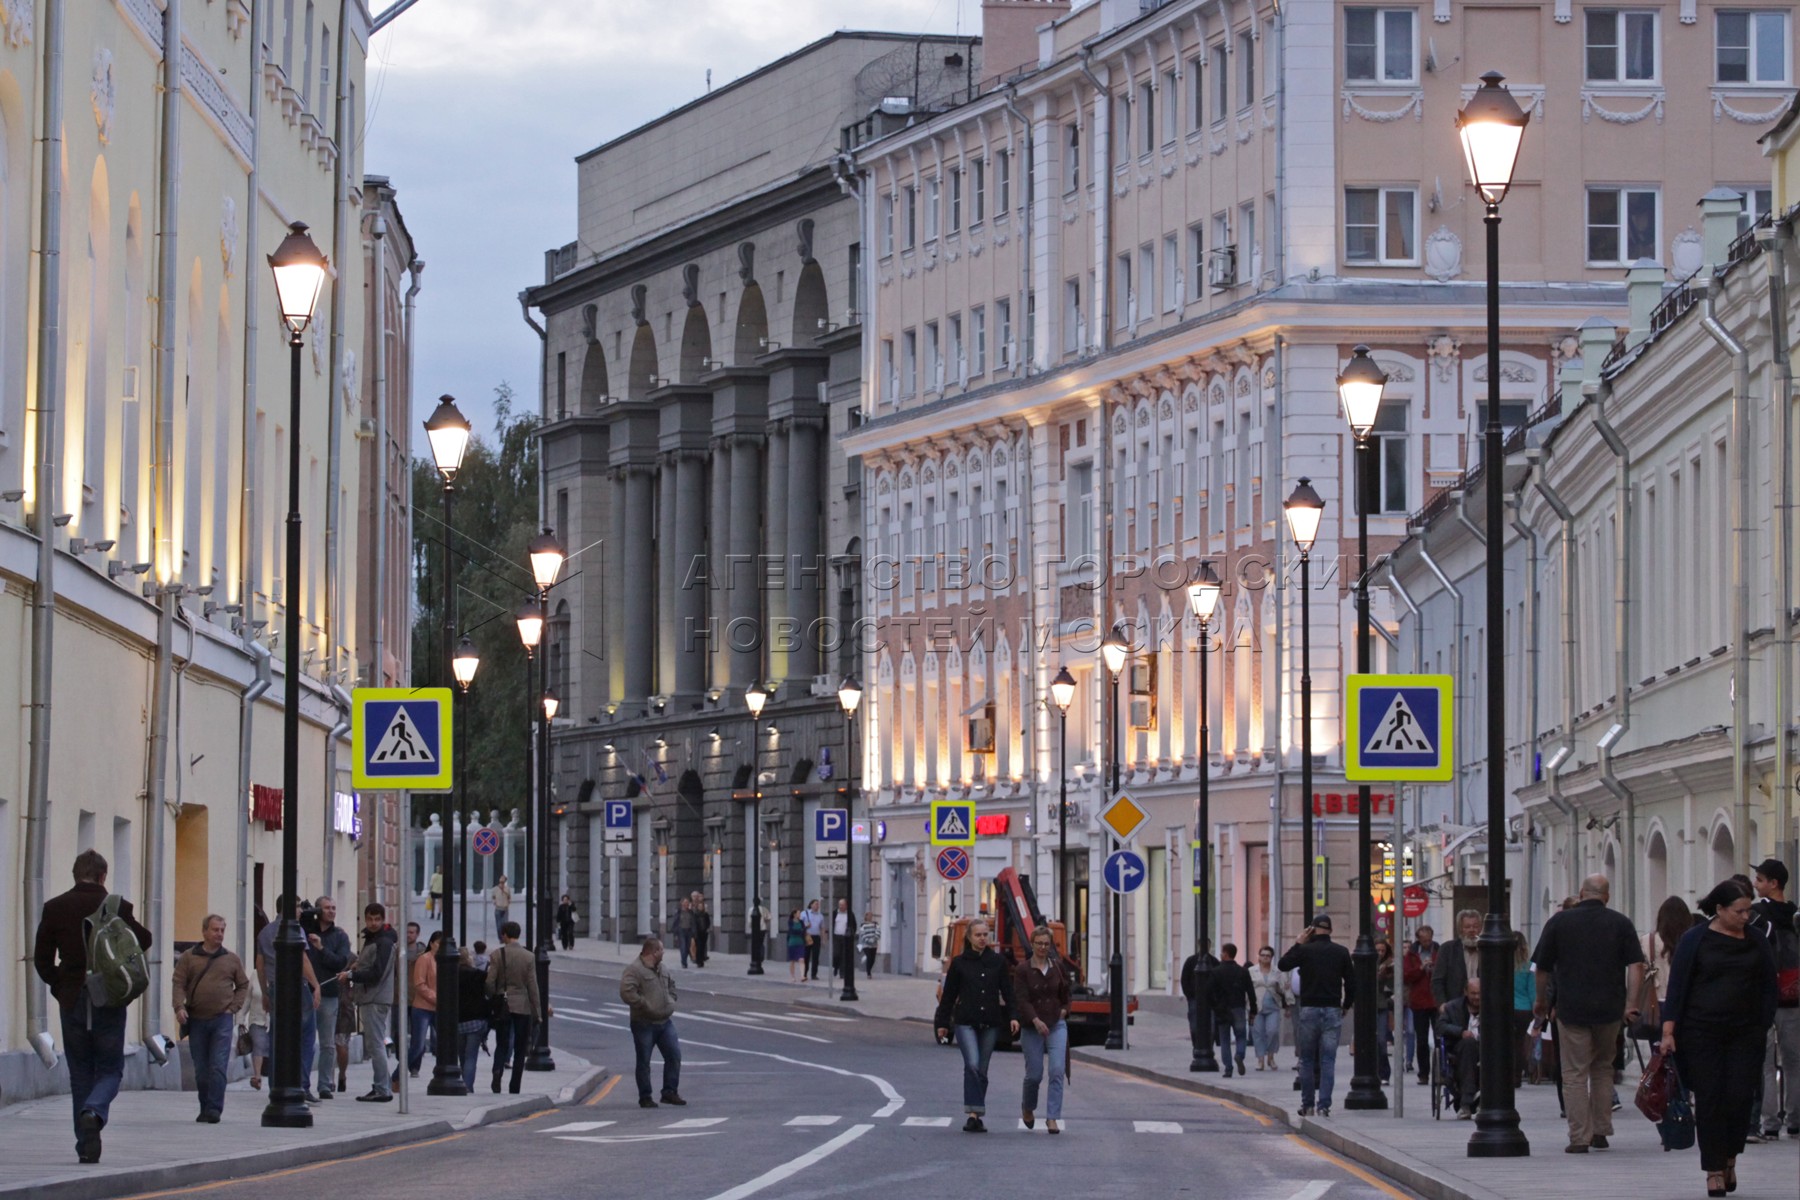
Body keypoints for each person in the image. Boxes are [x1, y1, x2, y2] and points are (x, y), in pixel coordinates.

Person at [33, 850, 154, 1163]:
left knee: (80, 1072)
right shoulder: (116, 907)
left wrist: (60, 985)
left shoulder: (55, 907)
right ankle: (95, 1110)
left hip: (72, 996)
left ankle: (85, 1145)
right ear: (103, 876)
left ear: (76, 874)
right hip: (108, 997)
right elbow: (144, 940)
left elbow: (43, 959)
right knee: (110, 1068)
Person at [1661, 878, 1779, 1197]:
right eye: (1739, 912)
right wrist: (1668, 1031)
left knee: (1740, 1097)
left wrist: (1764, 1021)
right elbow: (1678, 986)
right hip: (1701, 1031)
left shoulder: (1756, 940)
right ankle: (1713, 1168)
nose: (1745, 917)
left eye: (1748, 911)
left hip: (1746, 1033)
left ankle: (1729, 1157)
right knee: (1711, 1098)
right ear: (1720, 909)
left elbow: (1770, 984)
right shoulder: (1695, 939)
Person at [1532, 873, 1645, 1153]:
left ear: (1581, 894)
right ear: (1606, 897)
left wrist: (1541, 1002)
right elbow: (1636, 966)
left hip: (1572, 1008)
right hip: (1610, 1009)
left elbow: (1542, 967)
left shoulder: (1559, 922)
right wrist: (1631, 1003)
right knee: (1603, 1069)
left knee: (1574, 1073)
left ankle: (1579, 1137)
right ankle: (1601, 1131)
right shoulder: (1621, 923)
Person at [933, 919, 1019, 1132]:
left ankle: (974, 1115)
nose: (982, 938)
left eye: (985, 934)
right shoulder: (959, 962)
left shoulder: (998, 962)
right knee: (971, 1064)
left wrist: (1014, 1016)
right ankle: (975, 1110)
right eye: (978, 935)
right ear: (969, 938)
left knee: (982, 1069)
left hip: (991, 1021)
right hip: (965, 1021)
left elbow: (1008, 992)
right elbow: (949, 995)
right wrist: (942, 1023)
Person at [171, 914, 249, 1123]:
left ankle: (214, 1109)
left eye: (222, 930)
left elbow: (243, 985)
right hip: (196, 1019)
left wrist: (233, 1007)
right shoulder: (189, 957)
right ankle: (204, 1105)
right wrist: (179, 1007)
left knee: (218, 1064)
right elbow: (178, 983)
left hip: (221, 1019)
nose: (219, 934)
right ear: (204, 931)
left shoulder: (231, 959)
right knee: (201, 1068)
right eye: (215, 930)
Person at [1278, 914, 1354, 1118]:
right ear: (1330, 930)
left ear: (1311, 930)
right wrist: (1345, 1005)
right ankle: (1324, 1106)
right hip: (1332, 1009)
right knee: (1328, 1060)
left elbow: (1283, 964)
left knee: (1307, 1060)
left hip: (1309, 1008)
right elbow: (1351, 982)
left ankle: (1308, 1104)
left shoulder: (1304, 951)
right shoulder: (1341, 952)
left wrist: (1298, 943)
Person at [255, 894, 324, 1103]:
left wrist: (265, 993)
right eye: (297, 906)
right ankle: (302, 1085)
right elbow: (302, 959)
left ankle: (275, 1084)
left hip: (275, 988)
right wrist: (316, 984)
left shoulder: (264, 932)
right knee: (306, 1037)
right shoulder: (296, 929)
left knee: (277, 1038)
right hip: (296, 987)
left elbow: (260, 965)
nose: (301, 911)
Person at [1748, 858, 1798, 1140]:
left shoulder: (1755, 916)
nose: (1756, 884)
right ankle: (1795, 1118)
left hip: (1762, 998)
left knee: (1765, 1064)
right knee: (1795, 1061)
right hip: (1794, 996)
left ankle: (1769, 1122)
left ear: (1773, 883)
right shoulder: (1796, 915)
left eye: (1760, 880)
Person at [338, 902, 398, 1102]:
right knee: (375, 1044)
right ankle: (382, 1085)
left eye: (377, 919)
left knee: (375, 1045)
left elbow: (376, 973)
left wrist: (352, 975)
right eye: (370, 919)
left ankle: (382, 1089)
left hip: (375, 998)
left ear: (383, 919)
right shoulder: (375, 939)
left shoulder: (383, 942)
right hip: (371, 997)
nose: (373, 923)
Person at [1014, 926, 1070, 1134]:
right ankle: (1028, 1107)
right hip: (1032, 1026)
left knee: (1057, 1070)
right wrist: (1035, 1020)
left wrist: (1064, 1010)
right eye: (1039, 943)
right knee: (1034, 1075)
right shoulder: (1023, 970)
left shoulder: (1057, 967)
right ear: (1032, 943)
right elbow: (1021, 1000)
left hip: (1056, 1024)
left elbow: (1066, 993)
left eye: (1047, 944)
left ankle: (1053, 1117)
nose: (1043, 947)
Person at [620, 935, 683, 1108]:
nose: (663, 952)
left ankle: (669, 1092)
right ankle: (645, 1096)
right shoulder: (635, 970)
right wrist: (643, 1005)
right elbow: (626, 992)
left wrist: (671, 1000)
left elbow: (672, 985)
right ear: (653, 952)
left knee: (674, 1055)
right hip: (643, 1023)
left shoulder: (662, 968)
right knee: (644, 1061)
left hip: (664, 1021)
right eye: (661, 949)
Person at [487, 920, 542, 1094]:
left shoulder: (497, 954)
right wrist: (537, 1012)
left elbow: (489, 981)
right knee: (520, 1047)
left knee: (502, 1044)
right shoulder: (528, 956)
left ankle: (497, 1071)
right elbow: (533, 986)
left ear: (504, 934)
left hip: (503, 1004)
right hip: (522, 1006)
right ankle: (514, 1086)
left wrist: (493, 995)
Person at [307, 896, 351, 1099]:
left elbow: (341, 962)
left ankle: (325, 1084)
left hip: (328, 993)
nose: (332, 911)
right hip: (305, 992)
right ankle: (302, 1082)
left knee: (327, 1043)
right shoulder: (306, 930)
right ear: (318, 910)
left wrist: (321, 949)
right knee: (304, 1041)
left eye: (334, 907)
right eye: (327, 908)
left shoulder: (339, 936)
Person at [1210, 943, 1257, 1077]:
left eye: (1222, 952)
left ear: (1225, 954)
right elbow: (1250, 991)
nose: (1220, 955)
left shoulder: (1216, 972)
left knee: (1224, 1039)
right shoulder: (1242, 971)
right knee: (1241, 1035)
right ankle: (1239, 1055)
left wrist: (1215, 1006)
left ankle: (1228, 1068)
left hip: (1222, 1009)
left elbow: (1209, 992)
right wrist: (1253, 1009)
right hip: (1238, 1008)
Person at [1439, 980, 1483, 1118]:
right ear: (1466, 992)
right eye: (1473, 993)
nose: (1476, 997)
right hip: (1460, 1050)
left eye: (1479, 994)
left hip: (1484, 1049)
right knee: (1468, 1044)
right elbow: (1440, 1026)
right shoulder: (1453, 1007)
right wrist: (1460, 1032)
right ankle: (1467, 1101)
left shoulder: (1491, 1007)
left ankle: (1474, 1100)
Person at [1403, 925, 1439, 1083]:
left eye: (1429, 939)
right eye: (1424, 940)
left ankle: (1441, 1071)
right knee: (1422, 1040)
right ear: (1418, 939)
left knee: (1440, 1038)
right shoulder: (1411, 955)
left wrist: (1434, 968)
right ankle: (1424, 1073)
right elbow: (1406, 976)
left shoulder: (1439, 951)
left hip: (1436, 1000)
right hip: (1419, 1001)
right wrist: (1420, 968)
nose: (1427, 943)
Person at [1249, 945, 1290, 1070]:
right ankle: (1260, 1060)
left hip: (1273, 1006)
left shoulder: (1277, 972)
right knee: (1258, 1033)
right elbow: (1247, 989)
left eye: (1268, 955)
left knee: (1272, 1031)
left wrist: (1287, 1004)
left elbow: (1283, 990)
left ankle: (1271, 1057)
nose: (1265, 958)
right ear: (1259, 957)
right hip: (1257, 1007)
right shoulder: (1251, 971)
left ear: (1272, 958)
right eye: (1263, 955)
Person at [1179, 939, 1220, 1066]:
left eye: (1207, 945)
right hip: (1194, 1000)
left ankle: (1208, 1049)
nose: (1204, 947)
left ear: (1210, 946)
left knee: (1212, 1027)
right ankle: (1197, 1047)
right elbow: (1184, 979)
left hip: (1211, 1001)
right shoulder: (1191, 961)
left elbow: (1219, 980)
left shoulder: (1214, 962)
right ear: (1198, 945)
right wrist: (1190, 995)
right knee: (1195, 1026)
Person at [1432, 910, 1482, 1010]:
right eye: (1467, 927)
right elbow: (1437, 981)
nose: (1472, 930)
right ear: (1460, 929)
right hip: (1455, 1007)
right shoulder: (1447, 949)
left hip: (1483, 1009)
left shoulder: (1488, 951)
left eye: (1475, 926)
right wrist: (1442, 1004)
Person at [454, 946, 489, 1092]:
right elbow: (487, 993)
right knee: (471, 1056)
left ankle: (464, 1082)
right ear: (469, 958)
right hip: (476, 1020)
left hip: (458, 1020)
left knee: (462, 1055)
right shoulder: (478, 975)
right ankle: (468, 1086)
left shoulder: (450, 975)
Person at [408, 930, 442, 1077]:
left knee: (442, 1041)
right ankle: (410, 1068)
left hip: (440, 1008)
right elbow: (419, 984)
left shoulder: (445, 960)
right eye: (439, 943)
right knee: (418, 1043)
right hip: (423, 1007)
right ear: (431, 943)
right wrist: (436, 998)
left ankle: (440, 1068)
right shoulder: (424, 959)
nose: (441, 947)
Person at [1375, 939, 1396, 1084]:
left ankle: (1384, 1073)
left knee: (1382, 1040)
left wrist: (1387, 974)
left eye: (1382, 950)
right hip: (1367, 1006)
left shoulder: (1389, 965)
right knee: (1370, 1041)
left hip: (1381, 1004)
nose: (1380, 953)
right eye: (1378, 950)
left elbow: (1393, 986)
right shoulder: (1367, 961)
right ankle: (1374, 1071)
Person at [832, 898, 854, 986]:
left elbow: (853, 924)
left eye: (842, 905)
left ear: (846, 905)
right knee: (836, 954)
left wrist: (850, 934)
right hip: (836, 936)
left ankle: (842, 973)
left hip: (845, 937)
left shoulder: (849, 914)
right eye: (839, 905)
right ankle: (835, 966)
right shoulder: (835, 913)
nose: (840, 906)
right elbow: (831, 923)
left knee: (844, 956)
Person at [802, 900, 825, 981]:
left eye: (818, 905)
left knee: (815, 956)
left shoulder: (820, 916)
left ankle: (814, 974)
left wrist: (823, 939)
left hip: (816, 937)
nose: (817, 906)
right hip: (808, 936)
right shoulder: (804, 913)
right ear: (811, 905)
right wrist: (805, 926)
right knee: (806, 955)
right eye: (816, 904)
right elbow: (799, 924)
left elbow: (822, 928)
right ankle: (804, 973)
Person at [747, 895, 772, 971]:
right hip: (762, 928)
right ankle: (761, 956)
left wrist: (751, 927)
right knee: (761, 943)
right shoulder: (763, 909)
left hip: (755, 929)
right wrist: (764, 922)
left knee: (755, 943)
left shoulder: (751, 909)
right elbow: (769, 917)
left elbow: (749, 921)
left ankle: (756, 956)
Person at [673, 897, 696, 969]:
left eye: (687, 903)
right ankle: (684, 962)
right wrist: (675, 933)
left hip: (689, 931)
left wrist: (694, 931)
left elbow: (693, 922)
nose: (686, 904)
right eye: (685, 902)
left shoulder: (691, 912)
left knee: (687, 947)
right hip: (681, 931)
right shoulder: (679, 912)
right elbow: (675, 923)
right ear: (682, 903)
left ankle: (686, 959)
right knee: (683, 947)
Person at [858, 911, 882, 979]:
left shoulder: (875, 924)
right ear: (866, 916)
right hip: (866, 945)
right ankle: (868, 973)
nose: (870, 917)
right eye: (869, 915)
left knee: (873, 959)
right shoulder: (863, 925)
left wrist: (874, 938)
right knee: (869, 957)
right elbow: (862, 934)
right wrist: (868, 940)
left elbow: (878, 931)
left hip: (874, 944)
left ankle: (869, 969)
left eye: (871, 915)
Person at [691, 894, 713, 968]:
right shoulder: (695, 915)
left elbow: (708, 922)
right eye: (699, 906)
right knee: (699, 947)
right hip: (698, 933)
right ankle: (699, 961)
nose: (701, 907)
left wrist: (707, 928)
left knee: (703, 947)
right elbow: (694, 924)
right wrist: (695, 933)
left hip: (704, 933)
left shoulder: (705, 914)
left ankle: (701, 959)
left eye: (702, 906)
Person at [786, 909, 807, 982]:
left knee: (801, 959)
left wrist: (800, 931)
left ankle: (802, 976)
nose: (799, 915)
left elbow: (804, 930)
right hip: (792, 942)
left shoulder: (801, 922)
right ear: (794, 914)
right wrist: (799, 931)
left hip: (800, 942)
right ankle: (793, 977)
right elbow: (792, 931)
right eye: (798, 913)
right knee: (792, 961)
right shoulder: (790, 922)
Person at [490, 875, 512, 941]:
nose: (502, 882)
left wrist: (508, 903)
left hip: (505, 909)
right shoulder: (495, 889)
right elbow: (493, 897)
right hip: (498, 908)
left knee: (505, 924)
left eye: (503, 880)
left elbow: (509, 897)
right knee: (499, 926)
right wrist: (494, 902)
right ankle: (501, 938)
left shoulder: (507, 889)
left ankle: (505, 938)